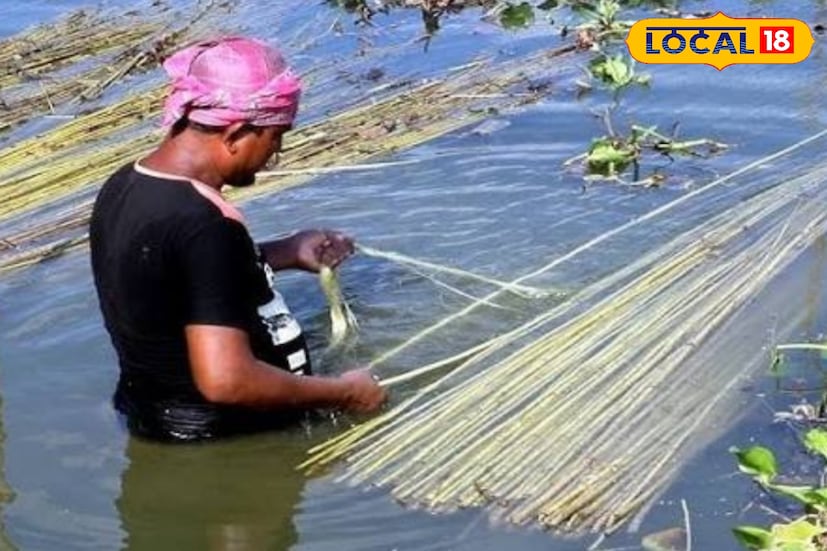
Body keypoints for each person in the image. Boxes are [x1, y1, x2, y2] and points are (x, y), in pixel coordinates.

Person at [90, 36, 386, 442]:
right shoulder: (206, 224)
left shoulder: (126, 184)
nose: (275, 154)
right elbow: (227, 380)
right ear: (236, 133)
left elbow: (172, 280)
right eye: (275, 137)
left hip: (154, 418)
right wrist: (344, 393)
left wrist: (286, 252)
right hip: (225, 440)